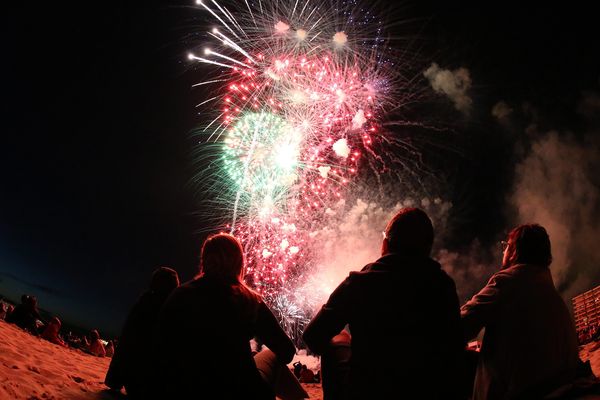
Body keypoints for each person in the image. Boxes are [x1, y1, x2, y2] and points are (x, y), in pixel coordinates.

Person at [303, 207, 464, 400]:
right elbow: (454, 346)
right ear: (427, 248)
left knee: (338, 339)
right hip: (424, 390)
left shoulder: (360, 282)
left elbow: (313, 336)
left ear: (386, 243)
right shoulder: (443, 285)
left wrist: (355, 344)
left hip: (369, 390)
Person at [151, 233, 299, 399]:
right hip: (239, 390)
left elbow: (160, 348)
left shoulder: (179, 295)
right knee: (269, 355)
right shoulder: (248, 299)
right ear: (238, 262)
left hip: (185, 389)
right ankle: (299, 397)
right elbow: (286, 351)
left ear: (204, 260)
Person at [461, 224, 581, 399]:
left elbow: (457, 326)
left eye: (506, 245)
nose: (503, 251)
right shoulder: (549, 290)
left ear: (515, 250)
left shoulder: (506, 282)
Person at [104, 266, 180, 397]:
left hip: (135, 382)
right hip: (154, 386)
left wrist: (114, 380)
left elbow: (126, 343)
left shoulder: (143, 304)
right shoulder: (175, 309)